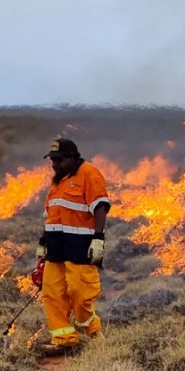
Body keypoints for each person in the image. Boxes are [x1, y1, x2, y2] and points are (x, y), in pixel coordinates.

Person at [38, 139, 110, 349]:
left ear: (72, 157)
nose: (54, 165)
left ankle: (92, 330)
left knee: (80, 293)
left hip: (79, 246)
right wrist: (43, 242)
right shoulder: (57, 181)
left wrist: (98, 239)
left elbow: (100, 207)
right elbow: (50, 214)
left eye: (59, 160)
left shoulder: (89, 173)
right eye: (52, 160)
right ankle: (63, 339)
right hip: (55, 246)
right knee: (52, 293)